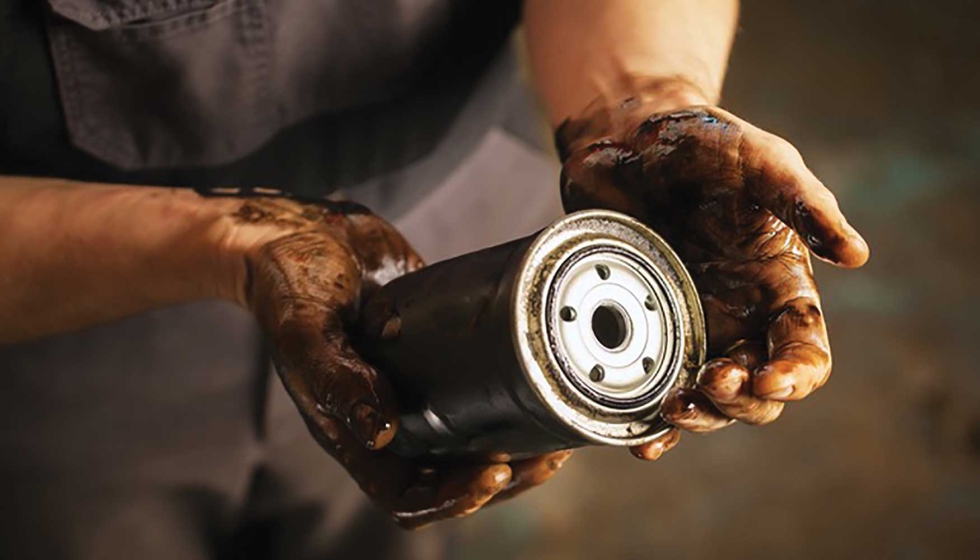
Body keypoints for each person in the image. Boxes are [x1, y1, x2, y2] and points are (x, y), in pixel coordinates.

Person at [0, 0, 870, 558]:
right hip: (73, 296)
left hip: (457, 242)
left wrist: (642, 100)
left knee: (411, 494)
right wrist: (223, 239)